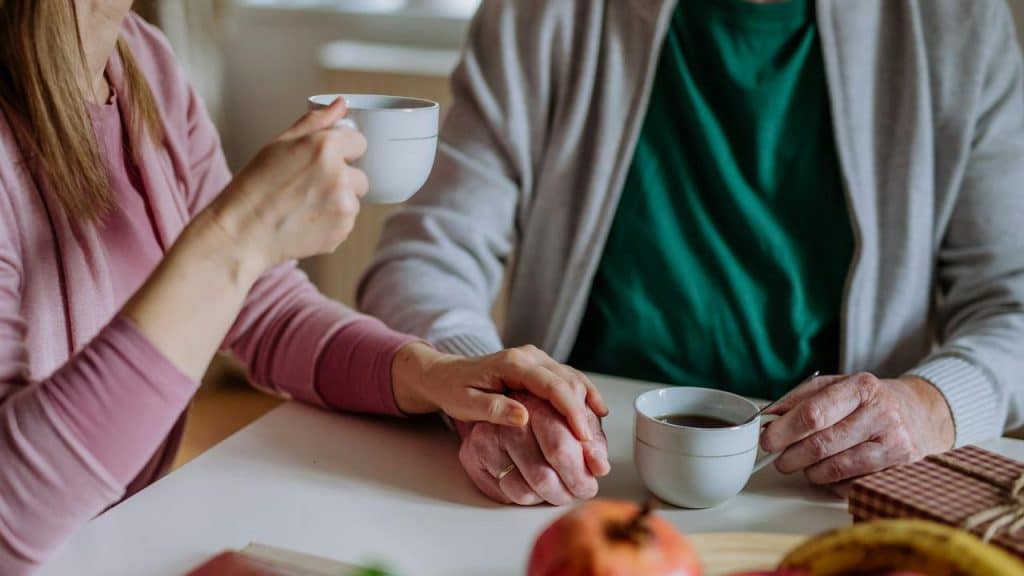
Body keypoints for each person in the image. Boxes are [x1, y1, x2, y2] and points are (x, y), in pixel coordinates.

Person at [0, 1, 607, 572]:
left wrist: (431, 373)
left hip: (114, 543)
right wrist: (236, 238)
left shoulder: (140, 61)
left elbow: (264, 309)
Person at [360, 0, 1024, 506]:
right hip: (577, 478)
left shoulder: (958, 24)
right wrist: (488, 390)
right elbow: (422, 257)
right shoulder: (546, 14)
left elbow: (1012, 300)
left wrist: (931, 406)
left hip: (826, 498)